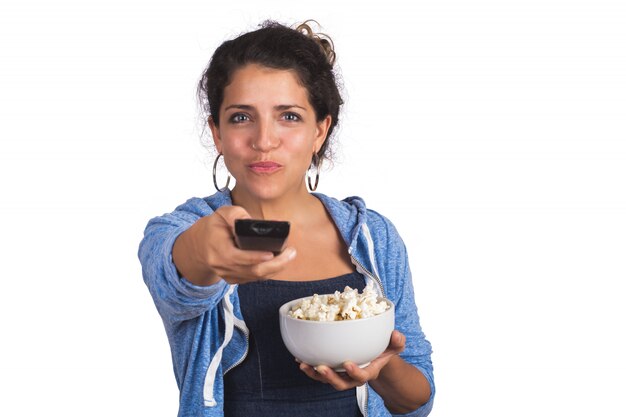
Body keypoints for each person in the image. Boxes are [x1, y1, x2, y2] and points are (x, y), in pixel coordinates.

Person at [138, 20, 435, 417]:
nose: (264, 141)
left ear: (320, 130)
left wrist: (378, 368)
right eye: (241, 117)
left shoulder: (373, 237)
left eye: (289, 116)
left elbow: (418, 401)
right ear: (217, 132)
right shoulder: (182, 230)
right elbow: (176, 272)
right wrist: (206, 250)